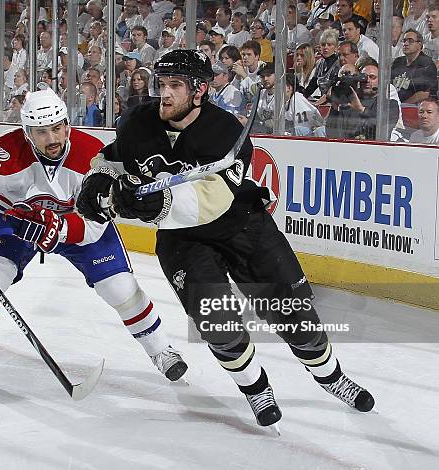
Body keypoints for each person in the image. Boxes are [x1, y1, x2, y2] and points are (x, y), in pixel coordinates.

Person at [76, 49, 374, 428]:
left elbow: (214, 200)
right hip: (182, 240)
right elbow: (116, 158)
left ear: (199, 90)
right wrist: (98, 178)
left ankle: (332, 379)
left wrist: (156, 202)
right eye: (161, 85)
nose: (164, 94)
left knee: (296, 317)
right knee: (217, 321)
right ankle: (255, 389)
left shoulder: (226, 131)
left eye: (175, 86)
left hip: (241, 225)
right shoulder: (137, 121)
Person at [0, 88, 187, 381]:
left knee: (120, 288)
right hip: (13, 222)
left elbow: (96, 222)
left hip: (78, 223)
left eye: (57, 129)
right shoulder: (3, 154)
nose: (52, 139)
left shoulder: (93, 156)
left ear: (68, 125)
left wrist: (61, 230)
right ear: (27, 132)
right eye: (41, 132)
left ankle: (161, 351)